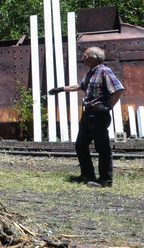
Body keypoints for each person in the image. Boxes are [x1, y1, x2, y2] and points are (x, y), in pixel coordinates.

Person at [49, 46, 125, 187]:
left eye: (85, 56)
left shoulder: (104, 71)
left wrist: (108, 107)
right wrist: (60, 89)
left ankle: (105, 180)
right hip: (88, 113)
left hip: (99, 114)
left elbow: (119, 89)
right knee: (81, 145)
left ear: (93, 58)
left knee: (102, 147)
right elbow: (79, 86)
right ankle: (87, 175)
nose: (82, 58)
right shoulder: (91, 72)